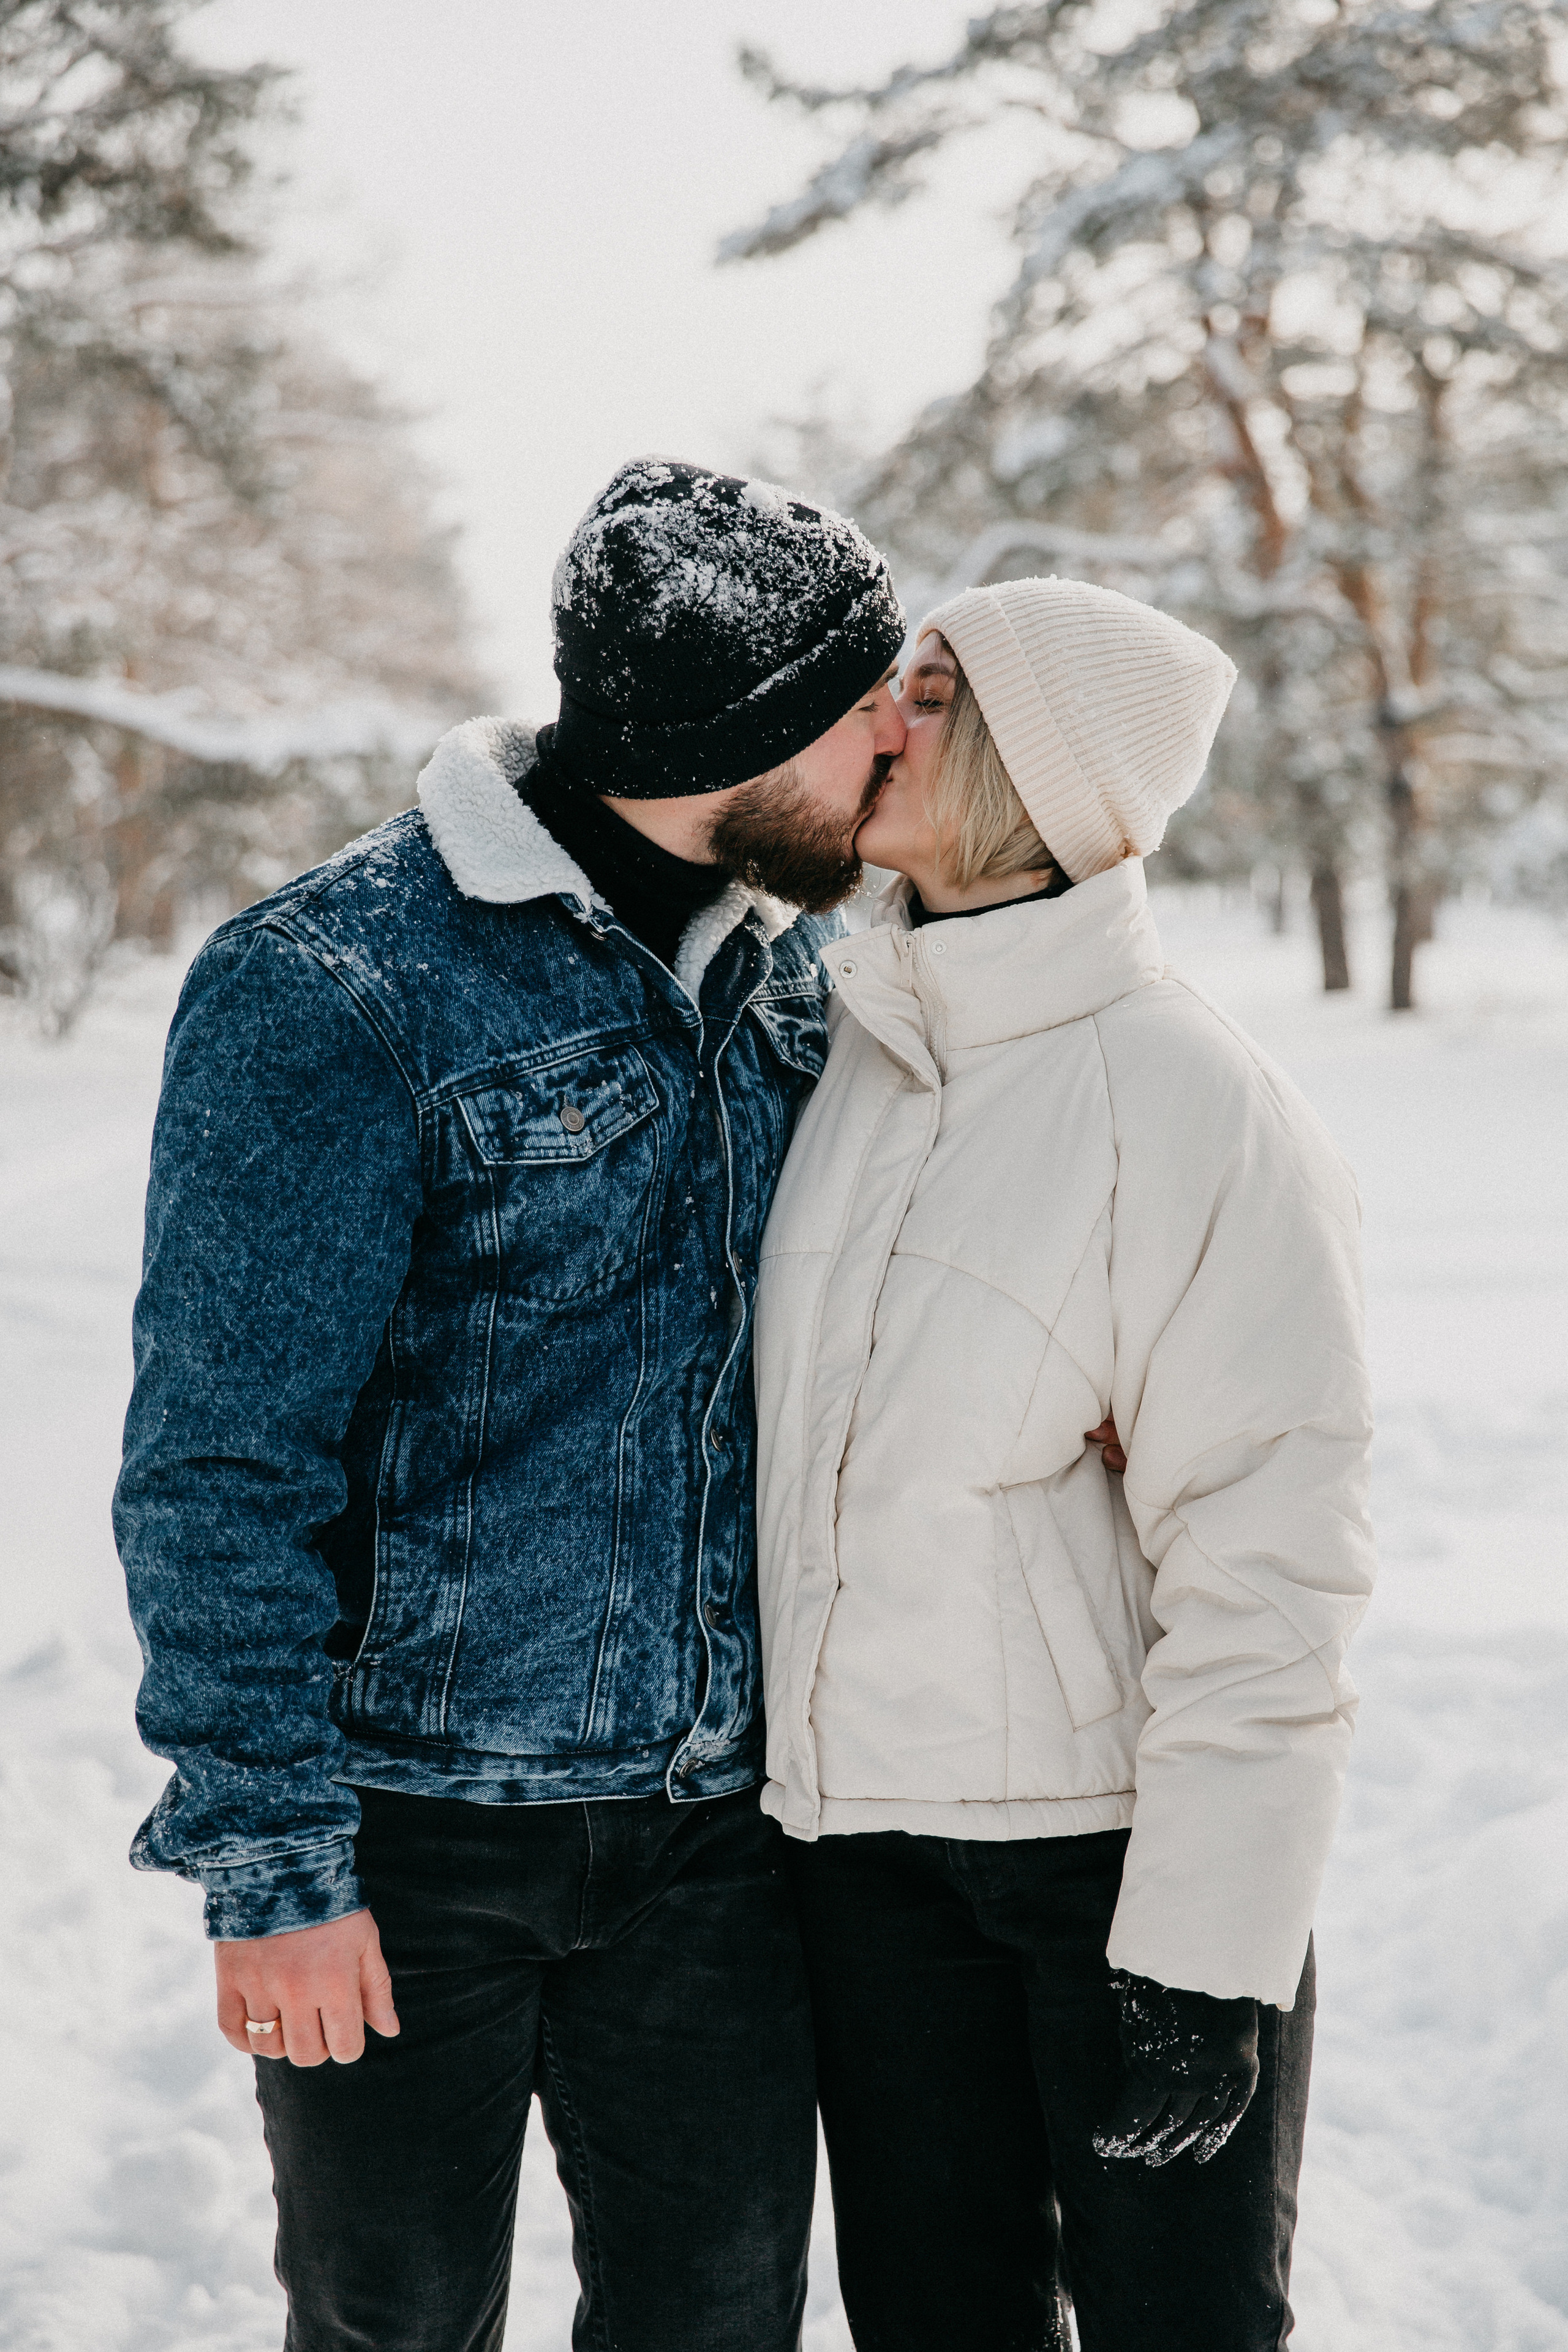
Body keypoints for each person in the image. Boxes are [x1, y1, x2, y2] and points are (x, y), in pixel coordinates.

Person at [113, 457, 907, 2352]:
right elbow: (220, 1466)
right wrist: (273, 1862)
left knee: (719, 2327)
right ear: (737, 726)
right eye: (862, 698)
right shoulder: (332, 985)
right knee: (394, 2326)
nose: (903, 733)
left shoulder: (810, 987)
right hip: (410, 1846)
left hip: (724, 1844)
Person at [752, 577, 1377, 2352]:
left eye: (934, 694)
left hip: (1109, 1875)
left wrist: (1208, 1949)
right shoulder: (854, 1050)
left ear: (1046, 765)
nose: (884, 716)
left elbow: (1276, 1559)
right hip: (868, 1866)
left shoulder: (1193, 1099)